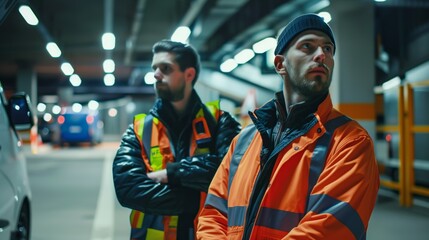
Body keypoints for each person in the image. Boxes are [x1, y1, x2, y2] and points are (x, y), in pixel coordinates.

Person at [197, 13, 380, 239]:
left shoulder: (351, 142)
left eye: (328, 49)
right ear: (280, 64)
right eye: (307, 46)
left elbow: (327, 230)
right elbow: (213, 213)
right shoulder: (243, 141)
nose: (321, 55)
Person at [113, 40, 241, 240]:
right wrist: (194, 199)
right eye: (155, 68)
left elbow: (234, 173)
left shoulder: (220, 123)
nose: (156, 75)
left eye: (165, 68)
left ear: (189, 74)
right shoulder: (138, 131)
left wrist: (172, 173)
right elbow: (128, 188)